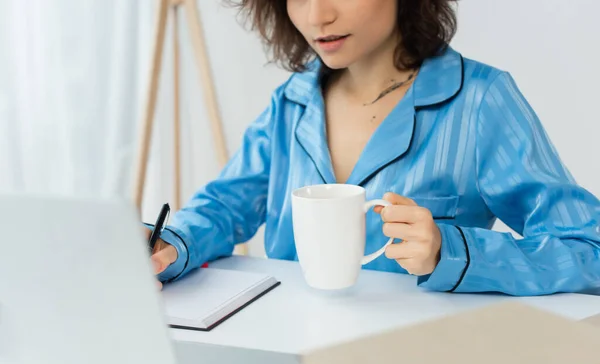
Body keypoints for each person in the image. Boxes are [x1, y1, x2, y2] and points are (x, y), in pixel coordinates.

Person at [147, 0, 600, 296]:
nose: (316, 16)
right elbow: (224, 207)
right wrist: (169, 244)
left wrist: (452, 250)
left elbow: (588, 250)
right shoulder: (292, 101)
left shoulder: (480, 101)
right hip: (291, 355)